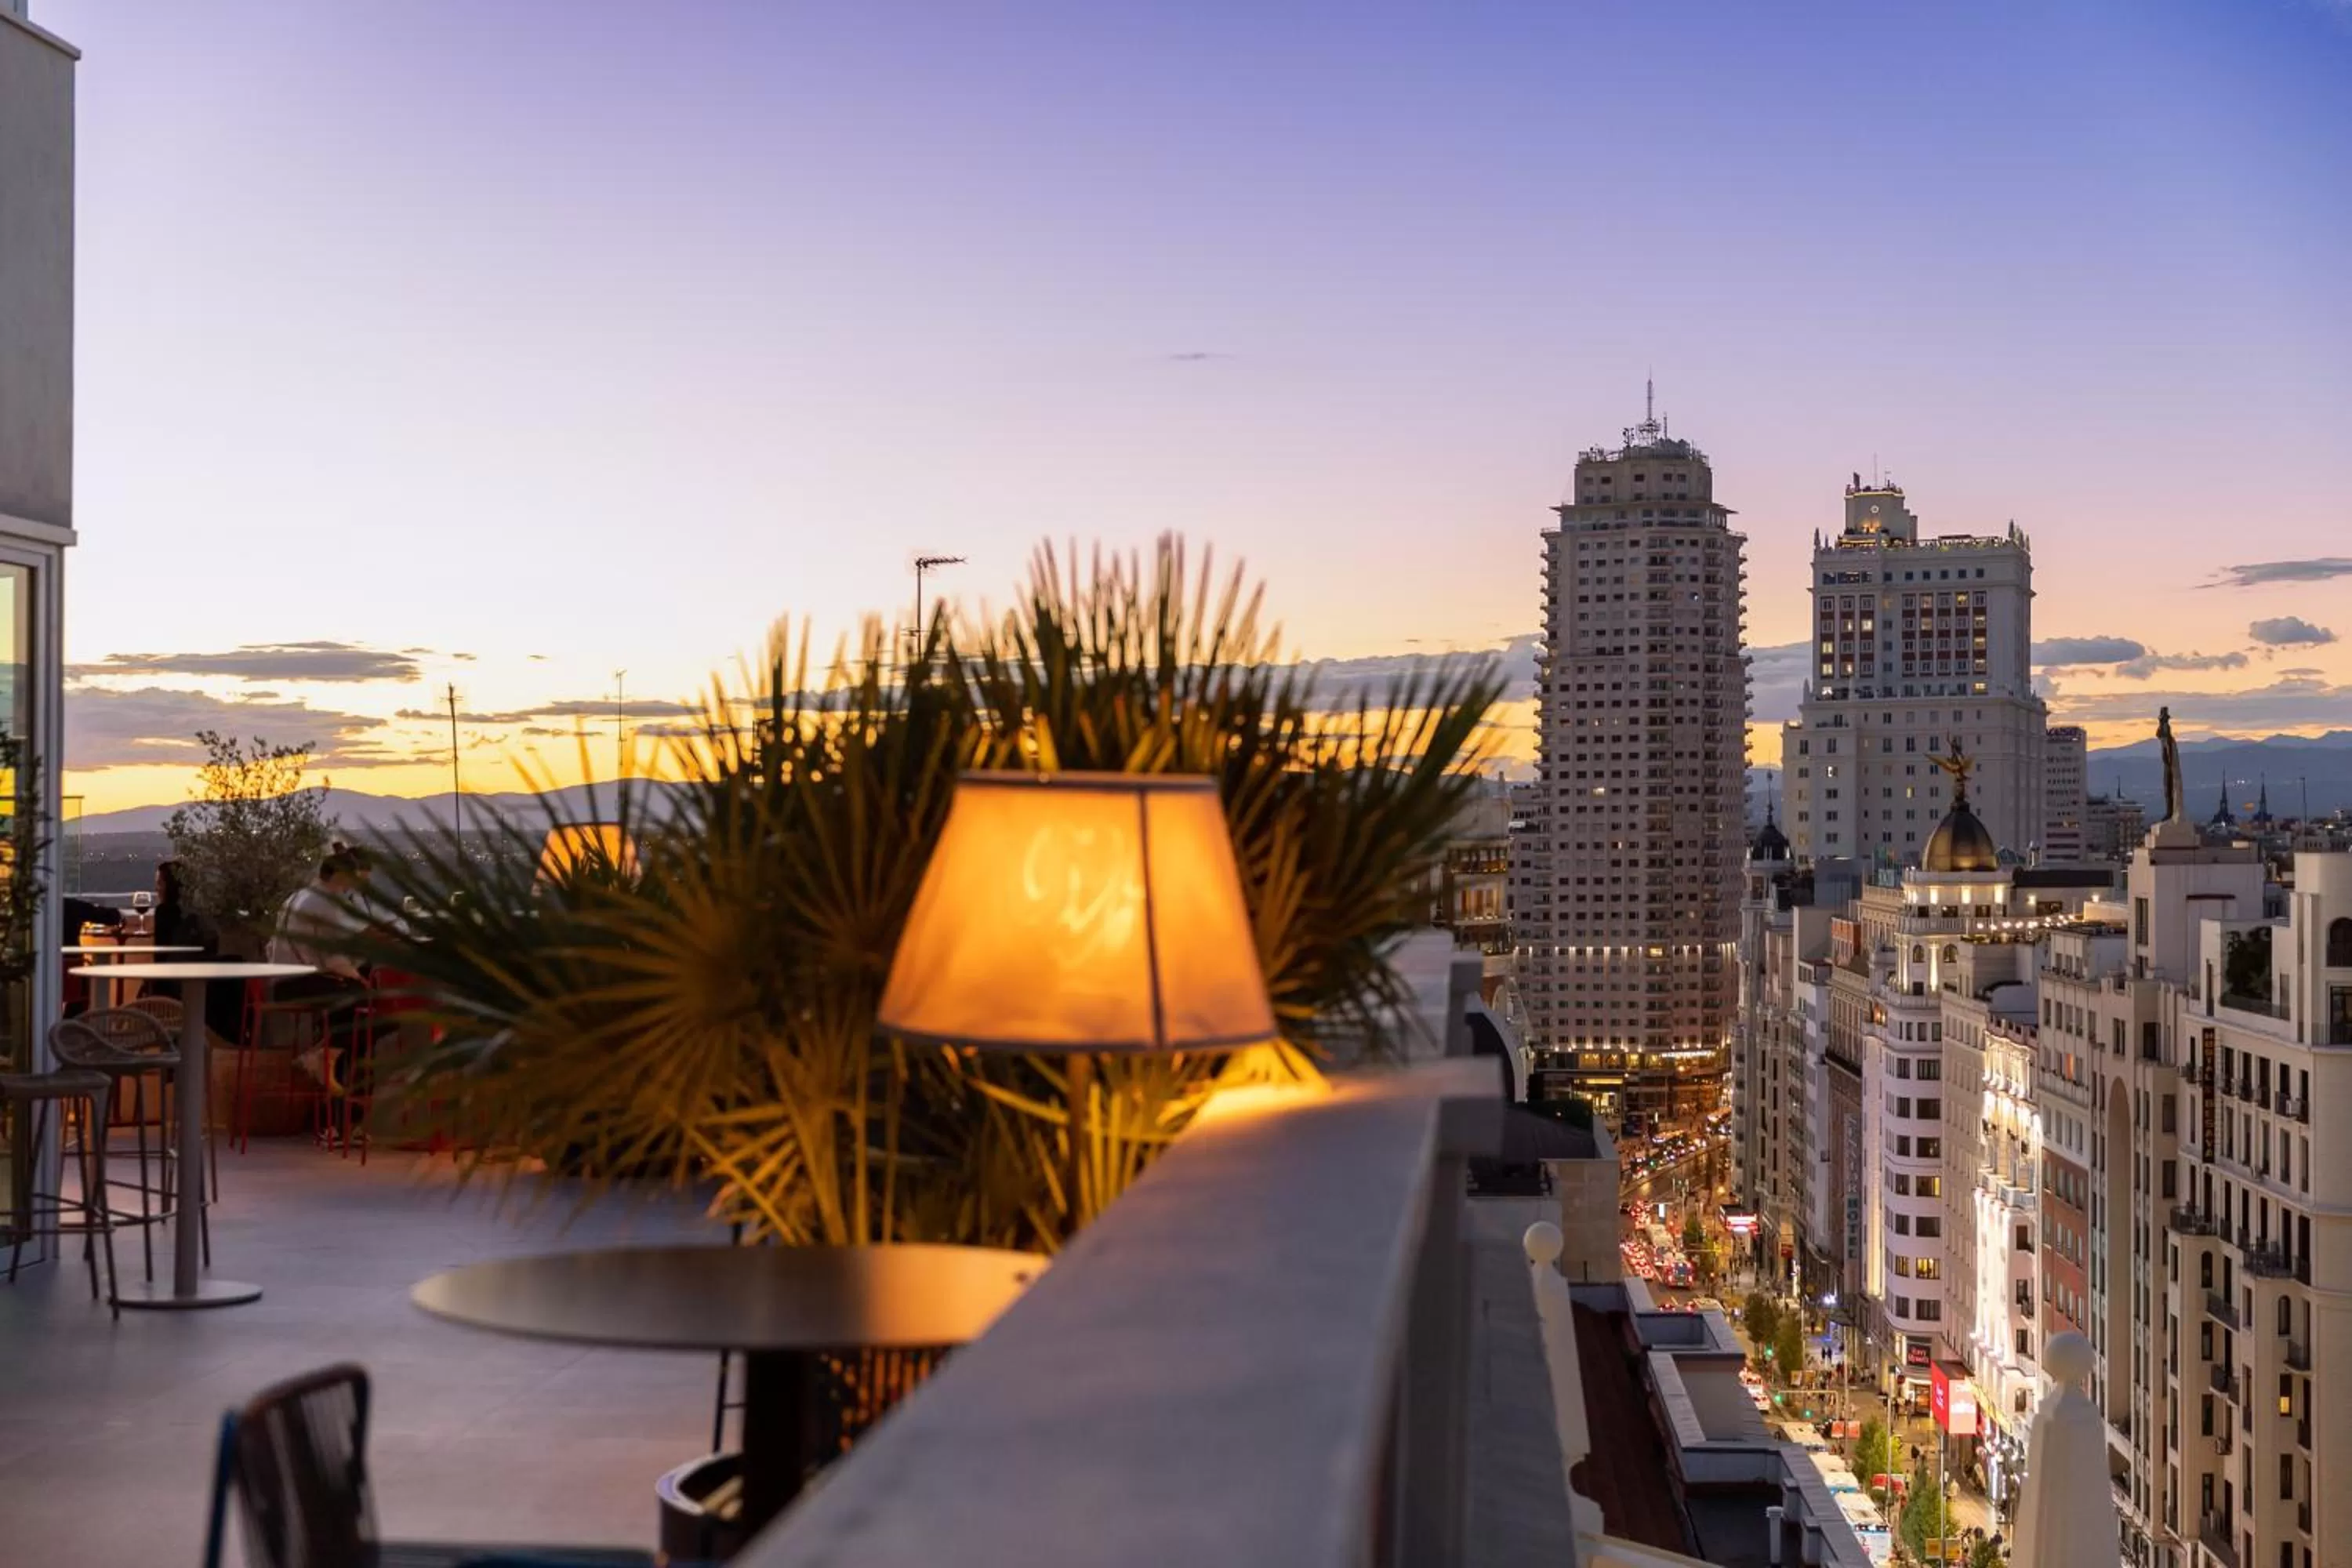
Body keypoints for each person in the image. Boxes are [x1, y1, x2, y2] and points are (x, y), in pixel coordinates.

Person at [268, 845, 381, 1143]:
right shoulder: (325, 904)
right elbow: (333, 958)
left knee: (355, 1028)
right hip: (305, 984)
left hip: (283, 983)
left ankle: (327, 1063)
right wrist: (358, 975)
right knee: (372, 1014)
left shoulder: (300, 897)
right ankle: (341, 1112)